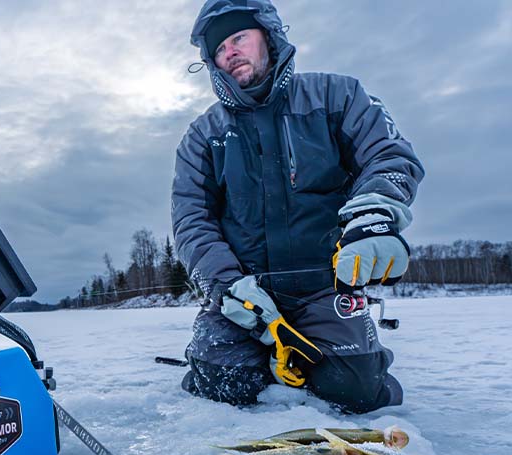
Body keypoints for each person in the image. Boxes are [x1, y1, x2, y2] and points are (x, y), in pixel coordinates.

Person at [172, 0, 424, 413]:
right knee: (220, 382)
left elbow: (388, 155)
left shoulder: (338, 96)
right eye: (219, 49)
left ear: (268, 37)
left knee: (356, 391)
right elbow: (190, 219)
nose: (230, 52)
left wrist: (374, 215)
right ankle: (259, 358)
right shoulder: (203, 135)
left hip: (325, 288)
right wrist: (226, 286)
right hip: (245, 295)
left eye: (239, 38)